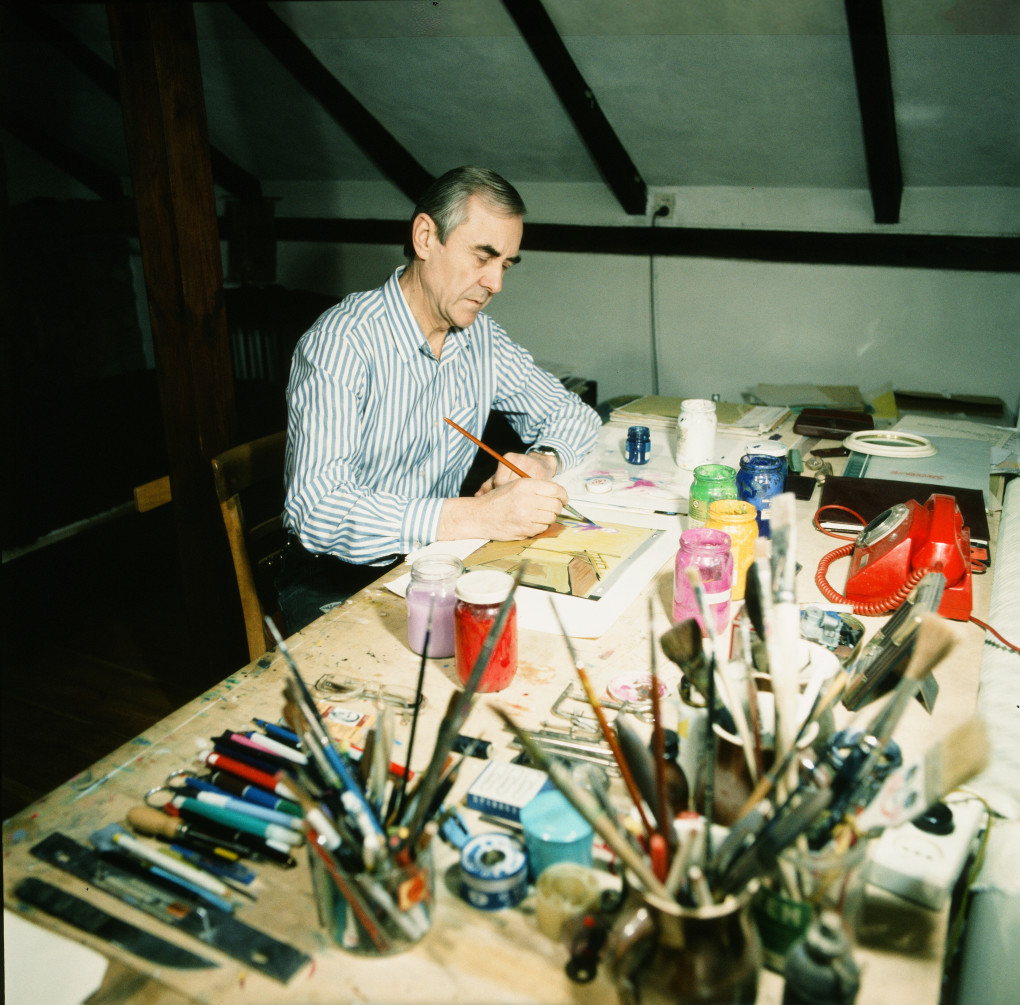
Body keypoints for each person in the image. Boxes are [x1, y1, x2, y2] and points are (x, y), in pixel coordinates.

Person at [277, 166, 601, 632]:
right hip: (337, 579)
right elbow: (317, 510)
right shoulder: (342, 342)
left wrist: (543, 461)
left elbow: (572, 414)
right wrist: (478, 515)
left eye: (505, 265)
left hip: (439, 559)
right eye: (483, 257)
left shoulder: (481, 339)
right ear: (426, 237)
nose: (496, 284)